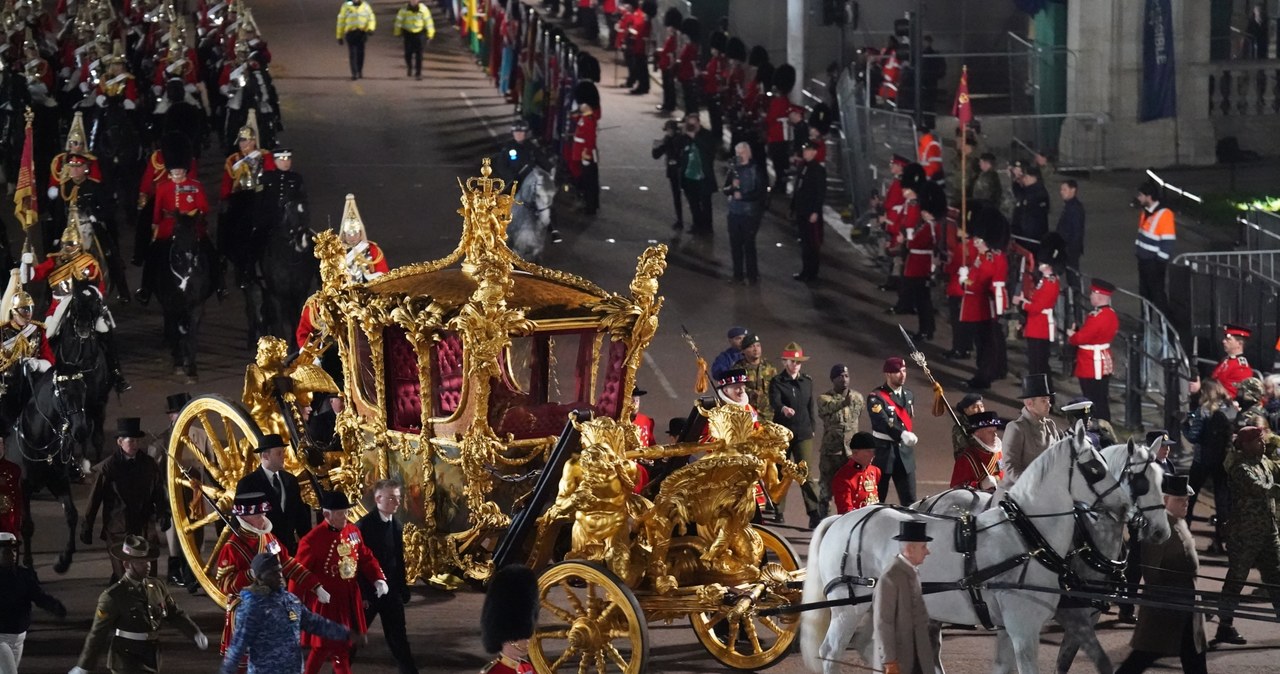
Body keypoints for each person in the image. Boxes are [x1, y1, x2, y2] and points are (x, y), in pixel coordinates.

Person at [70, 535, 208, 674]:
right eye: (141, 562)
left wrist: (194, 633)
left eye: (148, 560)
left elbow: (174, 614)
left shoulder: (157, 586)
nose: (147, 565)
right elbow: (98, 634)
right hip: (126, 658)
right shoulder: (114, 595)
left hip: (151, 656)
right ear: (127, 564)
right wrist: (84, 666)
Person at [215, 486, 327, 655]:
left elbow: (288, 563)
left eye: (264, 513)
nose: (263, 518)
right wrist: (250, 574)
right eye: (258, 515)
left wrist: (315, 586)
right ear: (244, 517)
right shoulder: (232, 548)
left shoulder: (269, 537)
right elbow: (224, 584)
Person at [1115, 475, 1207, 673]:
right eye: (1180, 500)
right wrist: (1171, 598)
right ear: (1164, 500)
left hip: (1186, 607)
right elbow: (1151, 573)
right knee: (1140, 659)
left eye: (1187, 499)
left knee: (1194, 659)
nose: (1186, 503)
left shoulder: (1178, 521)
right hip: (1166, 611)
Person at [295, 491, 386, 674]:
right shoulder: (312, 540)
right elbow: (298, 573)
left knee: (336, 647)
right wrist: (295, 605)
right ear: (327, 514)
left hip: (348, 600)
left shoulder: (353, 531)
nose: (345, 516)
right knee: (330, 647)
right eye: (340, 513)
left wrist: (378, 578)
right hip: (326, 603)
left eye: (346, 512)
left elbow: (366, 558)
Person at [220, 553, 357, 674]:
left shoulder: (290, 600)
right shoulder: (252, 608)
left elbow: (313, 623)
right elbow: (238, 646)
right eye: (273, 573)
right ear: (260, 577)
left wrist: (345, 633)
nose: (280, 576)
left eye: (280, 571)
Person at [1214, 426, 1280, 645]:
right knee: (1236, 580)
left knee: (1276, 579)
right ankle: (1225, 626)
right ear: (1245, 444)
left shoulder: (1263, 463)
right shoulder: (1240, 468)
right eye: (1258, 441)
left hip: (1269, 532)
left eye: (1262, 440)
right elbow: (1262, 489)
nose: (1262, 444)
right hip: (1245, 535)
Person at [82, 418, 167, 582]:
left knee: (149, 576)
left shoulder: (148, 464)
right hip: (119, 529)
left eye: (137, 440)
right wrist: (87, 526)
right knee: (125, 576)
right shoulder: (108, 467)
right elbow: (95, 499)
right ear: (120, 442)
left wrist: (164, 514)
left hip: (144, 528)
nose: (135, 444)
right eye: (131, 440)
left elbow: (158, 492)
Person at [356, 480, 418, 674]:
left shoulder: (397, 525)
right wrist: (364, 595)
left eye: (398, 498)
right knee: (354, 637)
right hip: (369, 593)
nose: (397, 503)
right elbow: (357, 565)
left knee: (399, 639)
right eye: (392, 498)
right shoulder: (363, 526)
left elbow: (398, 560)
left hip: (391, 593)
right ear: (378, 499)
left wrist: (402, 588)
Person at [873, 521, 940, 674]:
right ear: (910, 548)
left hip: (918, 658)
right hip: (899, 661)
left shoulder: (911, 572)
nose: (927, 552)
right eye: (923, 547)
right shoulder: (890, 577)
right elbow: (883, 623)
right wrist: (889, 661)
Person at [0, 531, 65, 673]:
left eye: (14, 549)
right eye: (6, 550)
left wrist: (53, 606)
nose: (12, 553)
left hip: (19, 637)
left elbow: (38, 596)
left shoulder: (24, 575)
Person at [769, 342, 819, 527]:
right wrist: (783, 409)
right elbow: (774, 401)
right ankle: (777, 509)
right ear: (784, 362)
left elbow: (810, 406)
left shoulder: (807, 381)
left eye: (798, 362)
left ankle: (814, 512)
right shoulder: (777, 382)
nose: (795, 365)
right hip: (783, 433)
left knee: (804, 473)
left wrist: (812, 426)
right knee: (781, 472)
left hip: (803, 432)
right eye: (792, 361)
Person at [236, 434, 311, 553]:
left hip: (289, 550)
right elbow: (239, 521)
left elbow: (300, 515)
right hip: (262, 552)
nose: (284, 457)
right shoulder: (247, 484)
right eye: (279, 453)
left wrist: (309, 544)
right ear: (265, 456)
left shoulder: (290, 480)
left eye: (283, 452)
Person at [960, 211, 1009, 390]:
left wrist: (966, 281)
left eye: (978, 240)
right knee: (986, 341)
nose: (975, 242)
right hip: (981, 304)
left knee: (986, 343)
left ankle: (984, 376)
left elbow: (982, 283)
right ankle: (992, 370)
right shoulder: (984, 256)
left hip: (987, 305)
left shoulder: (991, 258)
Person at [868, 357, 919, 504]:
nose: (902, 375)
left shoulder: (909, 395)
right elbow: (882, 422)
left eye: (903, 371)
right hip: (883, 453)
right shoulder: (876, 397)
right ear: (888, 374)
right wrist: (902, 434)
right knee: (877, 500)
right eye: (897, 372)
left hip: (905, 455)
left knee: (910, 501)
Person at [1067, 279, 1119, 422]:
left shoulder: (1098, 316)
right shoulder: (1111, 314)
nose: (1090, 296)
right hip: (1102, 359)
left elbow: (1083, 337)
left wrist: (1072, 336)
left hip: (1092, 362)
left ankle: (1096, 427)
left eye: (1092, 293)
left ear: (1099, 295)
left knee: (1092, 397)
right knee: (1100, 397)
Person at [818, 364, 865, 518]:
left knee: (853, 486)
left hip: (851, 452)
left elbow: (858, 415)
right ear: (833, 379)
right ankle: (823, 521)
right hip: (832, 451)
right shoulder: (824, 398)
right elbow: (828, 408)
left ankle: (850, 518)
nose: (844, 379)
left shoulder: (857, 398)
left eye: (846, 375)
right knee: (826, 489)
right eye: (840, 376)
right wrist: (844, 403)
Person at [999, 374, 1062, 484]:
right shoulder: (1016, 428)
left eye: (1048, 400)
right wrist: (1032, 484)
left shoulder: (1050, 425)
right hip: (1019, 490)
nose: (1049, 404)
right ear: (1029, 403)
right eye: (1044, 400)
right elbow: (1010, 467)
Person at [1014, 239, 1062, 378]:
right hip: (1036, 324)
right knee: (1035, 363)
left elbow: (1038, 307)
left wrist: (1022, 303)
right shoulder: (1046, 280)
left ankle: (1045, 395)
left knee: (1039, 364)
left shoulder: (1050, 283)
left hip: (1041, 326)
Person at [900, 181, 943, 340]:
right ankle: (925, 329)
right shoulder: (929, 226)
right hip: (919, 263)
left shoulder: (929, 227)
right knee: (922, 299)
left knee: (922, 300)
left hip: (920, 265)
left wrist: (909, 240)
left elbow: (913, 243)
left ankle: (926, 330)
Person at [480, 564, 539, 674]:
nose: (526, 642)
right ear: (506, 640)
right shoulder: (494, 671)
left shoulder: (528, 668)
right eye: (518, 638)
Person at [723, 141, 765, 285]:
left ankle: (752, 275)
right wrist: (731, 188)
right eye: (737, 153)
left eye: (742, 152)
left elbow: (760, 192)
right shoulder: (733, 170)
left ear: (748, 153)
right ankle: (737, 274)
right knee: (735, 244)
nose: (739, 155)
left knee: (748, 244)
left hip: (750, 213)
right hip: (734, 212)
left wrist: (744, 197)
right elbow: (724, 189)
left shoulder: (755, 170)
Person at [1134, 181, 1175, 312]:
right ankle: (1146, 327)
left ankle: (1167, 328)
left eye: (1141, 195)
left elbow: (1168, 241)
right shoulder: (1146, 212)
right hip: (1144, 260)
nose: (1138, 198)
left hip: (1154, 263)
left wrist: (1160, 262)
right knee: (1145, 296)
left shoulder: (1164, 214)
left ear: (1149, 196)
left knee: (1158, 297)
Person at [792, 140, 826, 282]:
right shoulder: (803, 166)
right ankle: (805, 270)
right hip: (801, 209)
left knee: (812, 244)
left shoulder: (817, 170)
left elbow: (820, 192)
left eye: (808, 151)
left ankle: (812, 273)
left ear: (814, 152)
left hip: (810, 211)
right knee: (805, 243)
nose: (805, 153)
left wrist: (815, 211)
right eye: (804, 150)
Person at [679, 113, 717, 235]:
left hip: (703, 175)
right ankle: (697, 224)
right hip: (689, 175)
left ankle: (707, 226)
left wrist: (694, 136)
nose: (691, 126)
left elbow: (709, 150)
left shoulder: (706, 135)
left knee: (705, 203)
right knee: (693, 202)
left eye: (693, 124)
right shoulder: (684, 137)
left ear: (698, 123)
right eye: (689, 124)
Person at [950, 411, 1005, 490]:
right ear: (978, 433)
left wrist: (996, 479)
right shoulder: (967, 458)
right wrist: (979, 485)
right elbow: (957, 487)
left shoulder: (998, 453)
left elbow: (1003, 473)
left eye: (995, 431)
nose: (995, 435)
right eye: (990, 432)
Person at [569, 81, 600, 216]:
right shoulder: (585, 118)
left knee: (589, 181)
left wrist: (586, 154)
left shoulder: (588, 120)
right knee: (588, 180)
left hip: (586, 154)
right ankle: (590, 203)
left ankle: (590, 206)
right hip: (582, 152)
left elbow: (590, 139)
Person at [831, 432, 880, 514]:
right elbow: (846, 511)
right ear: (855, 453)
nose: (873, 455)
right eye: (868, 451)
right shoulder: (843, 477)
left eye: (873, 451)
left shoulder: (875, 471)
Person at [1200, 324, 1254, 400]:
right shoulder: (1226, 361)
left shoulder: (1241, 367)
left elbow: (1235, 395)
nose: (1223, 341)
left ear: (1239, 344)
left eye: (1228, 339)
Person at [732, 332, 776, 422]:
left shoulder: (769, 367)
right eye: (751, 346)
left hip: (769, 416)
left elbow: (777, 388)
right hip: (748, 415)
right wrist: (752, 393)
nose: (755, 349)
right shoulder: (737, 369)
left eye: (758, 345)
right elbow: (734, 391)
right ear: (743, 351)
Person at [652, 119, 686, 232]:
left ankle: (688, 221)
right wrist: (656, 147)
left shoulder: (680, 139)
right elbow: (657, 155)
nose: (668, 132)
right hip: (673, 172)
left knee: (689, 196)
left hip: (681, 171)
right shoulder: (668, 139)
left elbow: (680, 153)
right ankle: (679, 220)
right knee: (676, 196)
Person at [1055, 179, 1085, 292]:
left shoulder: (1074, 208)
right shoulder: (1069, 206)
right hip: (1067, 247)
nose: (1061, 192)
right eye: (1061, 189)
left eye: (1064, 189)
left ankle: (1075, 297)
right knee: (1070, 275)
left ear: (1073, 190)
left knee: (1072, 275)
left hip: (1070, 248)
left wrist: (1070, 248)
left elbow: (1076, 230)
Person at [392, 1, 434, 80]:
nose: (414, 1)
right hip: (408, 33)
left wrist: (430, 34)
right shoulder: (404, 10)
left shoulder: (424, 10)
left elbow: (429, 23)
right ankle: (409, 67)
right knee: (408, 53)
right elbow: (398, 22)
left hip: (419, 33)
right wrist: (397, 32)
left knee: (419, 54)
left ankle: (418, 73)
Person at [1010, 166, 1049, 249]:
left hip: (1031, 237)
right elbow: (1018, 193)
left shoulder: (1039, 193)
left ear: (1034, 178)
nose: (1024, 179)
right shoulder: (1028, 190)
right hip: (1022, 235)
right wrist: (1016, 179)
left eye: (1026, 177)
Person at [336, 0, 376, 80]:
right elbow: (341, 21)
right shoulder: (346, 6)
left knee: (360, 53)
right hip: (351, 33)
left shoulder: (365, 6)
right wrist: (339, 36)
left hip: (362, 33)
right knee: (352, 54)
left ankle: (359, 70)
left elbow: (371, 18)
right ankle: (354, 73)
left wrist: (371, 28)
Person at [654, 8, 682, 113]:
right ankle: (668, 104)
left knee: (668, 87)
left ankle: (669, 105)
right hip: (666, 63)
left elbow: (672, 52)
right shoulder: (672, 37)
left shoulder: (674, 38)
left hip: (668, 64)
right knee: (667, 86)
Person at [950, 393, 984, 459]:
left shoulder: (984, 424)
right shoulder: (960, 428)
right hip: (969, 463)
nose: (980, 410)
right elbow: (968, 445)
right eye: (975, 407)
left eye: (982, 406)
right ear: (966, 410)